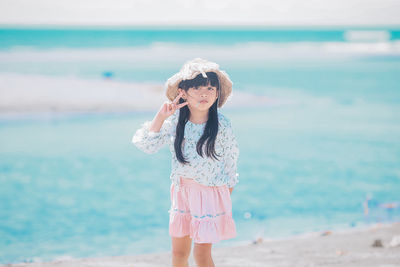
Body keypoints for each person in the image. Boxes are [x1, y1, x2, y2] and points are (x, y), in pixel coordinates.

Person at [132, 58, 239, 267]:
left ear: (217, 93)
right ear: (183, 91)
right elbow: (146, 145)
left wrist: (224, 198)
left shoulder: (222, 125)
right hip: (182, 194)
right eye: (197, 88)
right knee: (179, 253)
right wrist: (160, 117)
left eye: (210, 88)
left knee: (201, 255)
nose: (204, 94)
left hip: (210, 195)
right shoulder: (174, 122)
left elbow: (231, 163)